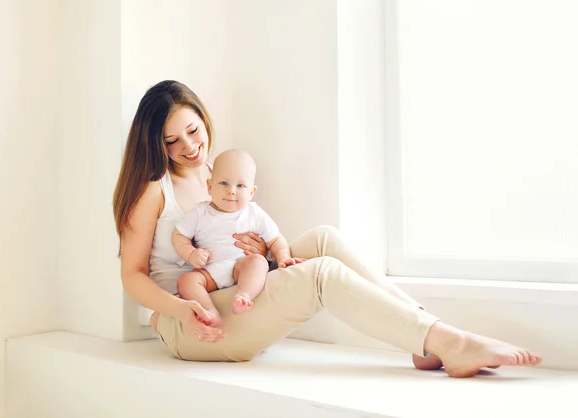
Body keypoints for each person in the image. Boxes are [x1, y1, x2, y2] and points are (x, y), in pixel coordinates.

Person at [113, 80, 542, 378]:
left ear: (204, 119)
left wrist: (262, 251)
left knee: (323, 238)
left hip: (231, 293)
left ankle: (425, 333)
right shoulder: (155, 190)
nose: (189, 145)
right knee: (319, 274)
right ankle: (452, 344)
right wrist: (181, 311)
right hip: (191, 321)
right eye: (172, 141)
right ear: (155, 144)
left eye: (193, 129)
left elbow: (242, 249)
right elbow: (131, 275)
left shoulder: (214, 174)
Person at [172, 149, 304, 327]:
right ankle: (209, 311)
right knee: (186, 282)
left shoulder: (254, 213)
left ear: (252, 192)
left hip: (240, 267)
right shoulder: (199, 212)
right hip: (210, 272)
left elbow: (275, 240)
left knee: (258, 261)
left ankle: (244, 295)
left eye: (240, 186)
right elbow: (179, 236)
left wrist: (284, 258)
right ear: (210, 186)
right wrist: (191, 254)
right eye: (224, 183)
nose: (231, 191)